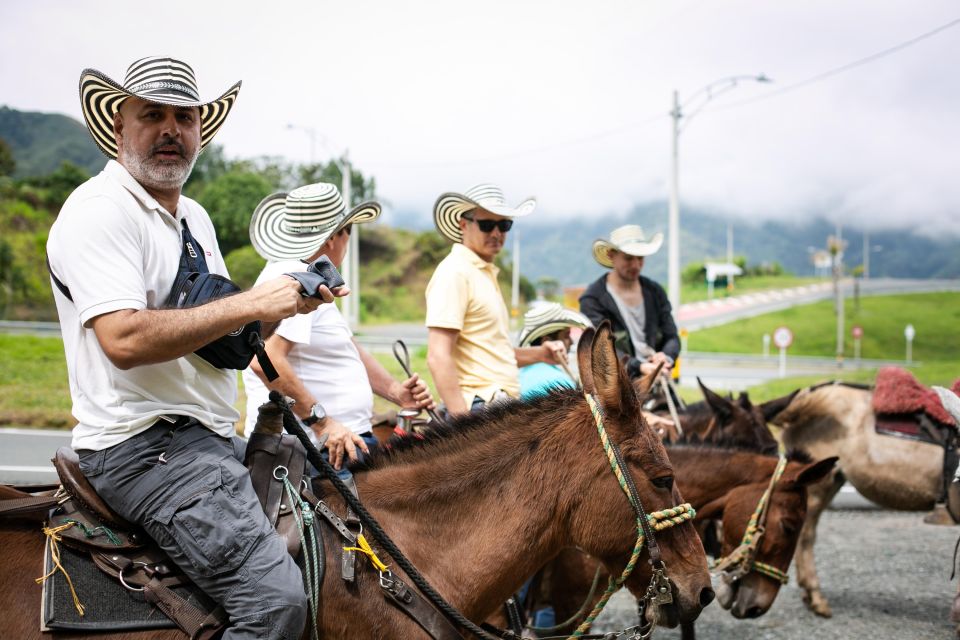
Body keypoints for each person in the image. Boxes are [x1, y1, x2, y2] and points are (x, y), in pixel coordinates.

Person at [46, 57, 338, 639]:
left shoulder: (194, 218)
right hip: (144, 448)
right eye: (151, 115)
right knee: (276, 606)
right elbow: (123, 339)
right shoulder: (99, 211)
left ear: (200, 130)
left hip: (201, 439)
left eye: (184, 116)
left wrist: (285, 307)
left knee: (337, 517)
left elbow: (218, 338)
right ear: (119, 127)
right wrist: (252, 301)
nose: (170, 130)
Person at [243, 183, 435, 473]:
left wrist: (397, 391)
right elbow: (265, 359)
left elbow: (347, 346)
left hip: (335, 444)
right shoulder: (296, 278)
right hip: (319, 451)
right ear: (334, 237)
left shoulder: (310, 275)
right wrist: (322, 422)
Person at [425, 184, 567, 415]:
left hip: (500, 402)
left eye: (504, 225)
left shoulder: (483, 273)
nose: (496, 233)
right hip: (479, 406)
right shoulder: (455, 272)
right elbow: (438, 355)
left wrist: (541, 354)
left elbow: (494, 351)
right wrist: (463, 427)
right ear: (464, 225)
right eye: (487, 225)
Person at [579, 224, 679, 378]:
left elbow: (671, 336)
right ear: (611, 255)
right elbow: (600, 350)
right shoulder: (593, 299)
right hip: (615, 386)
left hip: (657, 378)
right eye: (628, 258)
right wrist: (639, 367)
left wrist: (666, 357)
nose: (635, 265)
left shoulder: (655, 291)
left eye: (640, 258)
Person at [516, 302, 592, 400]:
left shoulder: (520, 373)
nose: (572, 341)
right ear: (547, 341)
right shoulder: (560, 382)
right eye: (566, 335)